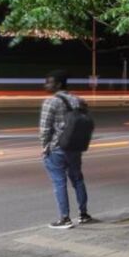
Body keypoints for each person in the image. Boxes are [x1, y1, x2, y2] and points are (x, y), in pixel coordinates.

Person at [40, 70, 92, 229]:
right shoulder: (78, 100)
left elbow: (45, 129)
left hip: (57, 148)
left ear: (58, 84)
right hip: (75, 147)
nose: (46, 85)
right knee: (78, 179)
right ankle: (83, 214)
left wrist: (44, 147)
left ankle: (65, 218)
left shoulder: (50, 102)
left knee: (59, 182)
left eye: (49, 82)